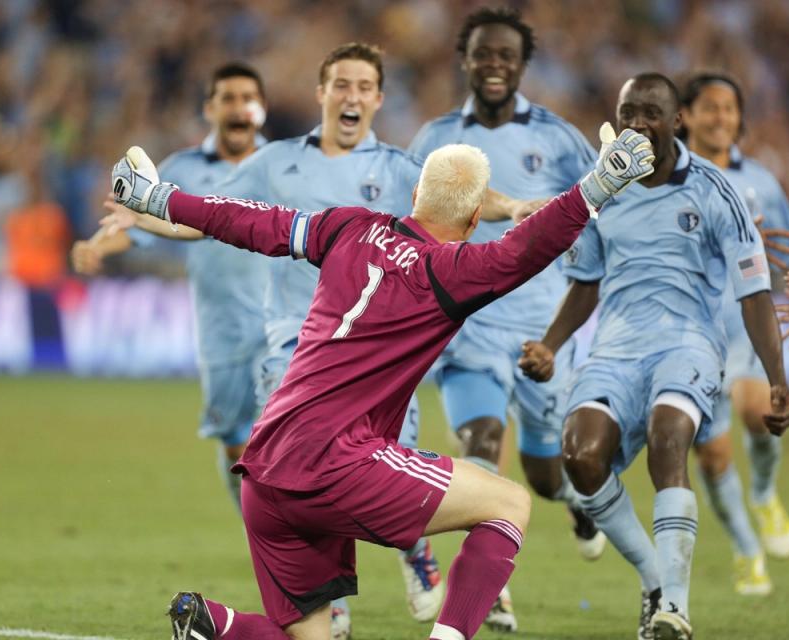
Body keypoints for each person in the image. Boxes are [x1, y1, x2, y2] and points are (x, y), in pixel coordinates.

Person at [104, 124, 654, 640]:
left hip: (267, 466)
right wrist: (600, 184)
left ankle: (212, 624)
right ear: (471, 221)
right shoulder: (453, 272)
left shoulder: (348, 226)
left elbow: (254, 222)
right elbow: (527, 247)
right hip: (337, 462)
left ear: (416, 192)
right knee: (508, 505)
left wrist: (159, 198)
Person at [205, 42, 539, 634]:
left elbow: (238, 220)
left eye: (364, 85)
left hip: (282, 442)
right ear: (323, 92)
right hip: (312, 389)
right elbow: (229, 210)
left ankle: (220, 623)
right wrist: (590, 193)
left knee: (314, 619)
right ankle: (420, 558)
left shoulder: (368, 202)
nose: (351, 95)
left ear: (378, 98)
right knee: (498, 500)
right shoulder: (282, 162)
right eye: (341, 84)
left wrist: (159, 200)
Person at [519, 73, 789, 640]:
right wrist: (551, 344)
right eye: (629, 114)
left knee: (670, 439)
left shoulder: (715, 189)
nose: (638, 124)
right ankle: (653, 580)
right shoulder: (601, 188)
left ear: (677, 122)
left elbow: (753, 291)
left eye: (651, 113)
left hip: (688, 343)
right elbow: (585, 282)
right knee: (579, 456)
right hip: (616, 347)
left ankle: (675, 607)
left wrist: (776, 378)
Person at [409, 11, 604, 631]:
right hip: (468, 328)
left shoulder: (561, 139)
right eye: (483, 55)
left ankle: (576, 502)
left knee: (546, 474)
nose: (494, 65)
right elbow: (408, 222)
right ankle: (489, 588)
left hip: (540, 330)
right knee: (481, 443)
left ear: (523, 65)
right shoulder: (434, 140)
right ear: (464, 60)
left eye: (507, 56)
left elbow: (595, 213)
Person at [70, 62, 269, 513]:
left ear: (262, 109)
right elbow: (138, 222)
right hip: (221, 329)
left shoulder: (283, 165)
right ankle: (255, 525)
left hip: (283, 326)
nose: (239, 108)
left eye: (248, 99)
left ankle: (286, 544)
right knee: (237, 446)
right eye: (229, 99)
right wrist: (99, 246)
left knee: (284, 445)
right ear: (210, 109)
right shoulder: (182, 167)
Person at [679, 72, 789, 594]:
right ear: (684, 115)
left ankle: (765, 493)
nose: (721, 118)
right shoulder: (669, 177)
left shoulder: (762, 182)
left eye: (730, 109)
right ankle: (745, 549)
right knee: (712, 456)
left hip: (746, 325)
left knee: (761, 412)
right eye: (710, 108)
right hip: (687, 330)